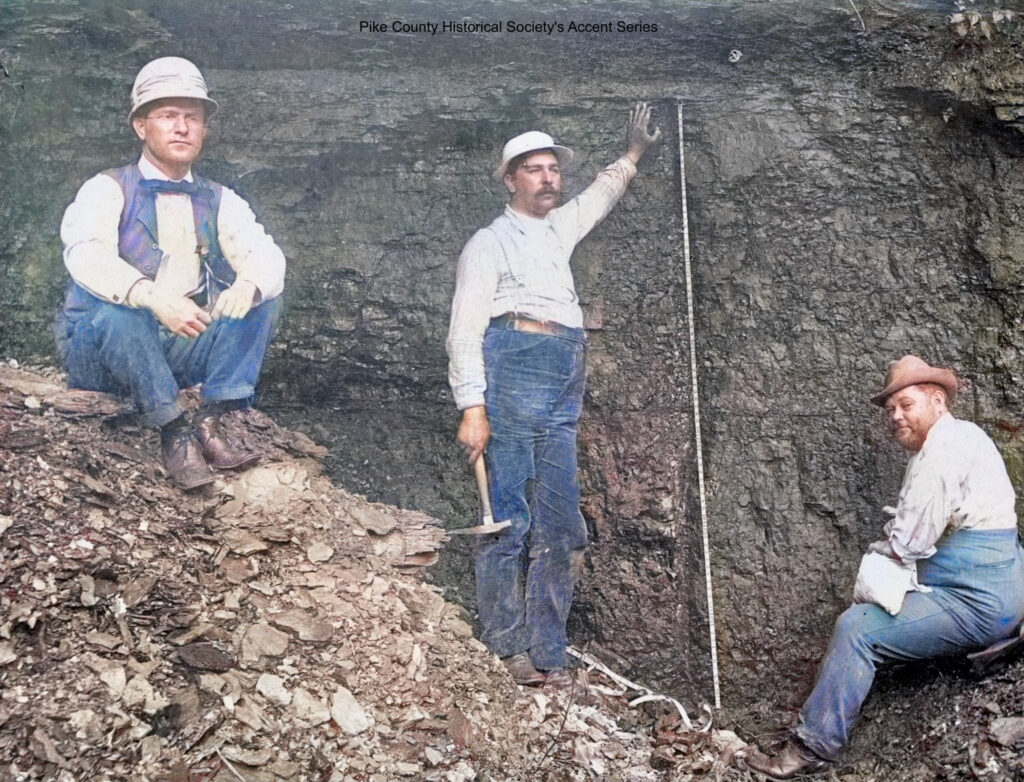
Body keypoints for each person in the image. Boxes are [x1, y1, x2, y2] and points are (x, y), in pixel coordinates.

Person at [445, 103, 662, 687]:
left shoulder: (559, 228)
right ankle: (506, 647)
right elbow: (464, 330)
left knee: (562, 525)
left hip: (564, 372)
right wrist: (473, 408)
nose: (548, 179)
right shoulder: (488, 243)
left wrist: (633, 153)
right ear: (509, 179)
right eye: (534, 169)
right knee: (508, 519)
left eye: (553, 169)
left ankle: (549, 650)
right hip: (514, 366)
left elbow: (601, 195)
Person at [745, 355, 1024, 779]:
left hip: (981, 601)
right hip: (1004, 583)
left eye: (906, 405)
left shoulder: (941, 452)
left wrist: (879, 556)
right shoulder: (965, 436)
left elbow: (909, 543)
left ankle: (811, 748)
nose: (895, 416)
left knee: (856, 628)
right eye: (891, 409)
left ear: (937, 400)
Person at [56, 57, 286, 491]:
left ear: (204, 129)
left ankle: (210, 419)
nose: (181, 128)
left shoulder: (220, 198)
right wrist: (153, 297)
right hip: (101, 348)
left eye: (192, 118)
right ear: (141, 126)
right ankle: (173, 430)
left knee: (262, 299)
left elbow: (266, 254)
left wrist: (248, 285)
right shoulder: (106, 188)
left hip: (175, 347)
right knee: (122, 315)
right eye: (167, 116)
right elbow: (85, 254)